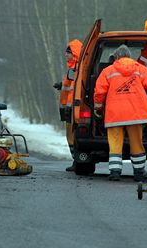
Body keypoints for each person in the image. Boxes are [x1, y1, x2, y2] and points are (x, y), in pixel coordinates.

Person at [94, 45, 147, 181]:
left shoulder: (108, 71)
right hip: (136, 114)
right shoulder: (140, 69)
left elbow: (99, 92)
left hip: (115, 115)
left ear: (116, 57)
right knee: (137, 143)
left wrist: (98, 108)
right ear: (129, 56)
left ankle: (115, 172)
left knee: (115, 144)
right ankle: (139, 173)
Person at [52, 39, 83, 172]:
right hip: (69, 107)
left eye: (68, 52)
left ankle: (77, 161)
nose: (65, 55)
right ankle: (76, 160)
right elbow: (70, 85)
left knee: (72, 136)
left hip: (73, 108)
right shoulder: (73, 68)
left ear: (74, 53)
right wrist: (61, 84)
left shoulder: (77, 69)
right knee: (70, 135)